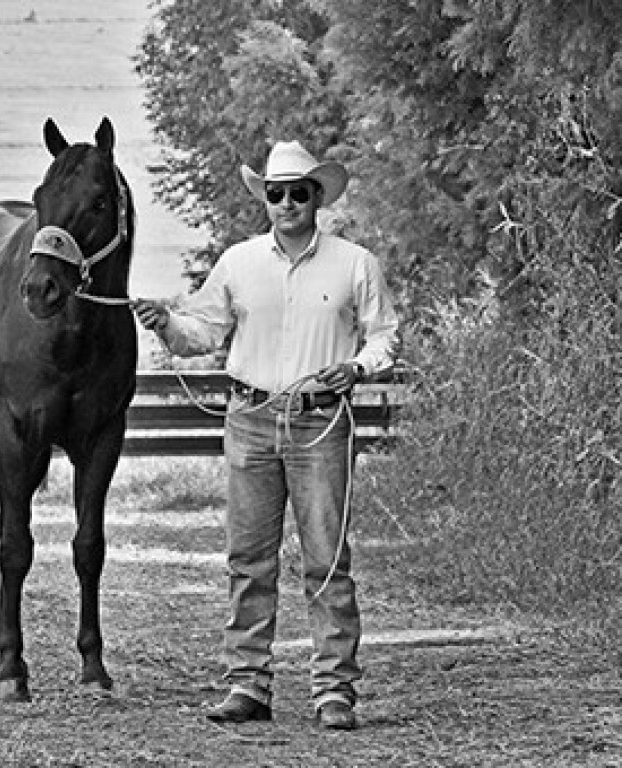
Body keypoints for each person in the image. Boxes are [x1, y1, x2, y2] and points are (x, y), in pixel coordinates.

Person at [133, 140, 399, 731]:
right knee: (248, 559)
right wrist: (166, 323)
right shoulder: (238, 262)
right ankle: (247, 684)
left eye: (297, 193)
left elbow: (384, 336)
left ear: (317, 198)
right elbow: (203, 330)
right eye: (275, 193)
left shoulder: (355, 263)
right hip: (249, 417)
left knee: (327, 559)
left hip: (321, 420)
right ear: (266, 200)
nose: (285, 203)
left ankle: (334, 692)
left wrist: (356, 367)